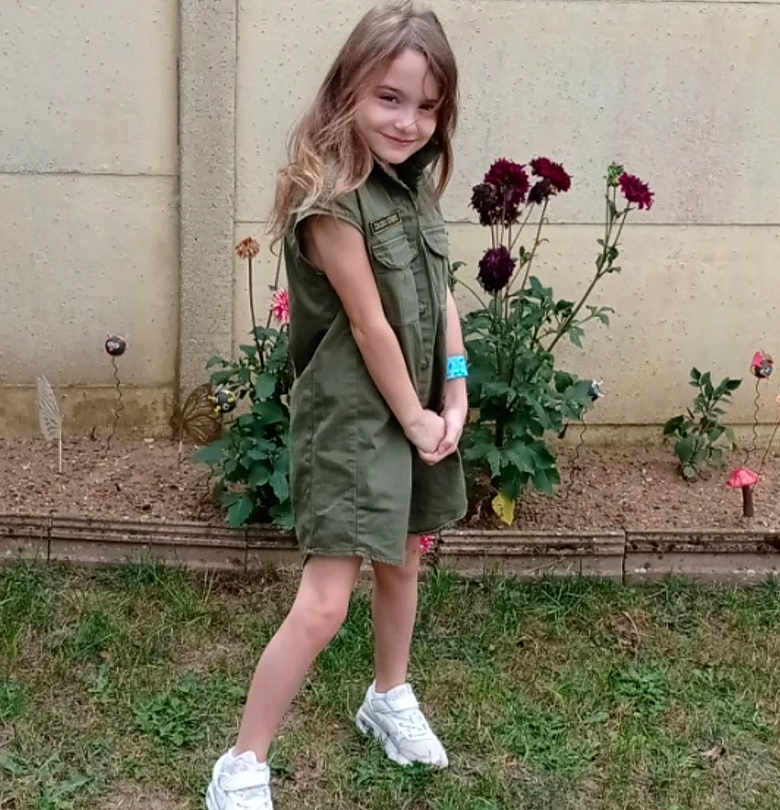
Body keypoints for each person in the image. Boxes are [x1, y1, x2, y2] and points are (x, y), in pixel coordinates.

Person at [205, 3, 467, 808]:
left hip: (418, 405)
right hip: (356, 420)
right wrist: (415, 417)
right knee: (324, 603)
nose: (408, 121)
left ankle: (388, 696)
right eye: (390, 97)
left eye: (427, 106)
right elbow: (368, 324)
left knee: (405, 559)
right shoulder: (329, 200)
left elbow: (443, 295)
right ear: (346, 87)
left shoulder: (412, 187)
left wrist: (457, 387)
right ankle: (241, 765)